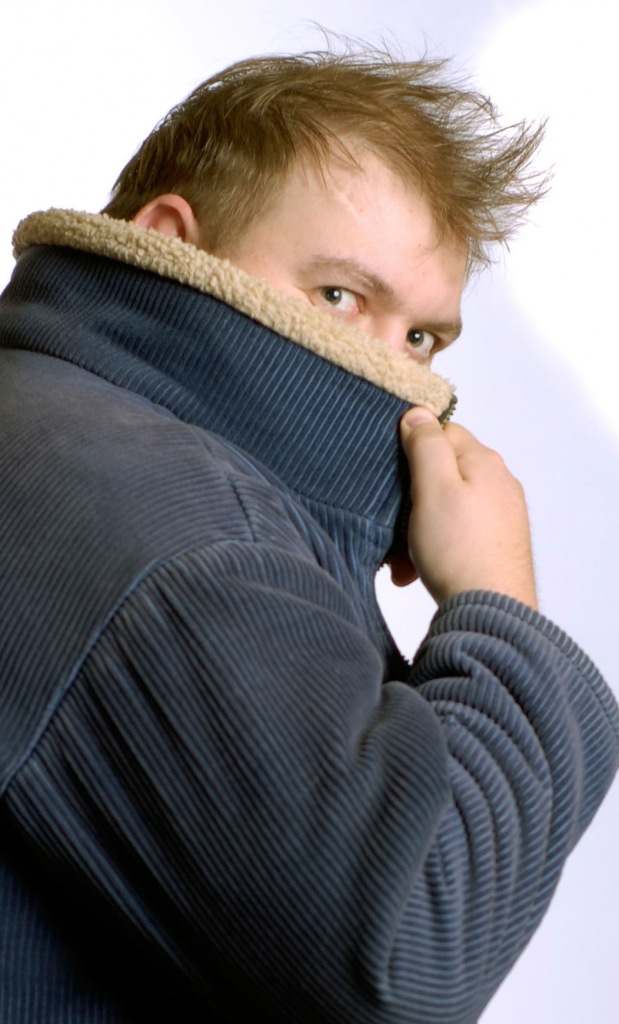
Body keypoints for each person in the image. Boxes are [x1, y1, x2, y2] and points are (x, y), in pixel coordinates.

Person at [0, 47, 617, 1024]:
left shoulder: (51, 431)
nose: (386, 369)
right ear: (171, 240)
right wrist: (496, 601)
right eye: (338, 296)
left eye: (420, 338)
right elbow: (401, 959)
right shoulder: (190, 544)